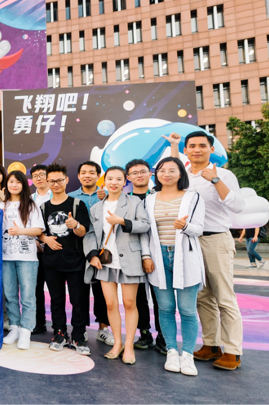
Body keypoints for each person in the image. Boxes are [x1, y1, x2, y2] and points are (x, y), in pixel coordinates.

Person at [183, 131, 245, 370]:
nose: (197, 150)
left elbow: (238, 206)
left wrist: (216, 181)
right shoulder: (184, 176)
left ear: (211, 149)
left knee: (224, 297)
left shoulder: (224, 174)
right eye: (192, 146)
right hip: (191, 241)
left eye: (202, 145)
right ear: (186, 151)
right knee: (202, 296)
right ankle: (211, 345)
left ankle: (232, 351)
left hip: (216, 239)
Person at [144, 157, 206, 377]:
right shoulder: (149, 200)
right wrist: (146, 256)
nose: (166, 174)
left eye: (172, 170)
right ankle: (171, 350)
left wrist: (185, 226)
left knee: (188, 309)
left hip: (185, 257)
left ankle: (187, 354)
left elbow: (199, 228)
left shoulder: (192, 197)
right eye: (162, 170)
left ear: (181, 174)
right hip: (158, 258)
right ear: (156, 175)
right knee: (166, 308)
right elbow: (146, 233)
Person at [84, 166, 151, 365]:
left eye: (118, 179)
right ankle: (117, 343)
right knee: (111, 305)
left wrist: (122, 220)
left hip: (129, 259)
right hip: (106, 262)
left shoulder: (135, 202)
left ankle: (129, 346)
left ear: (125, 181)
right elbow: (90, 234)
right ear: (104, 181)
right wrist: (92, 255)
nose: (114, 182)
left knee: (130, 304)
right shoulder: (96, 208)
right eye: (110, 178)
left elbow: (145, 225)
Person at [37, 163, 91, 355]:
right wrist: (45, 239)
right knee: (56, 300)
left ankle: (78, 335)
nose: (56, 184)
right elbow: (38, 232)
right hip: (52, 262)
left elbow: (84, 232)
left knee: (79, 300)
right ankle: (59, 333)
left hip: (75, 261)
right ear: (47, 182)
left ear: (67, 180)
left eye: (59, 180)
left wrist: (75, 224)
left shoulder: (77, 204)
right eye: (52, 181)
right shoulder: (43, 207)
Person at [0, 171, 45, 350]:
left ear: (24, 185)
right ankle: (14, 328)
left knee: (27, 296)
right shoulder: (0, 206)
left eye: (18, 182)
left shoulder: (31, 205)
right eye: (11, 181)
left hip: (27, 258)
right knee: (10, 295)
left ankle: (26, 331)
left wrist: (21, 231)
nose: (14, 185)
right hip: (5, 256)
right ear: (6, 184)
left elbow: (38, 230)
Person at [70, 160, 111, 345]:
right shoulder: (71, 197)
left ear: (98, 176)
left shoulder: (107, 195)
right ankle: (81, 329)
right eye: (84, 172)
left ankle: (103, 328)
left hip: (102, 250)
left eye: (92, 172)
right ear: (79, 176)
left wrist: (106, 198)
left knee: (102, 293)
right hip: (77, 250)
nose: (87, 175)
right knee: (79, 293)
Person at [125, 158, 162, 353]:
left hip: (159, 252)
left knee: (160, 297)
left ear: (150, 174)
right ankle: (144, 333)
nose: (139, 175)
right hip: (134, 253)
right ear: (128, 177)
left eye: (142, 171)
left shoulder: (159, 196)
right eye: (134, 173)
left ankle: (163, 336)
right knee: (139, 297)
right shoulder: (126, 200)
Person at [29, 164, 51, 334]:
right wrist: (35, 241)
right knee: (36, 289)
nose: (39, 178)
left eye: (42, 174)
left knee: (56, 289)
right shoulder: (29, 199)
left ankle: (60, 326)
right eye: (35, 175)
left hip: (54, 247)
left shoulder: (57, 196)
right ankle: (39, 323)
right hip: (34, 249)